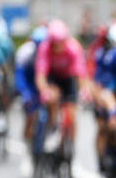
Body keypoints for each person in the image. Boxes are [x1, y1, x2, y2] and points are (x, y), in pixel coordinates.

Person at [34, 20, 89, 148]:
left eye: (60, 43)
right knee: (52, 98)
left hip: (68, 78)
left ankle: (71, 145)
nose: (57, 47)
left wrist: (84, 90)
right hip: (53, 78)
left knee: (72, 113)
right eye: (54, 44)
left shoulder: (73, 48)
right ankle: (53, 128)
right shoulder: (45, 47)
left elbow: (81, 73)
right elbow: (40, 74)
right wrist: (44, 90)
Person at [14, 26, 48, 151]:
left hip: (46, 87)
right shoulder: (25, 53)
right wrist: (25, 92)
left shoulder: (52, 54)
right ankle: (27, 143)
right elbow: (20, 75)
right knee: (30, 115)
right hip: (30, 86)